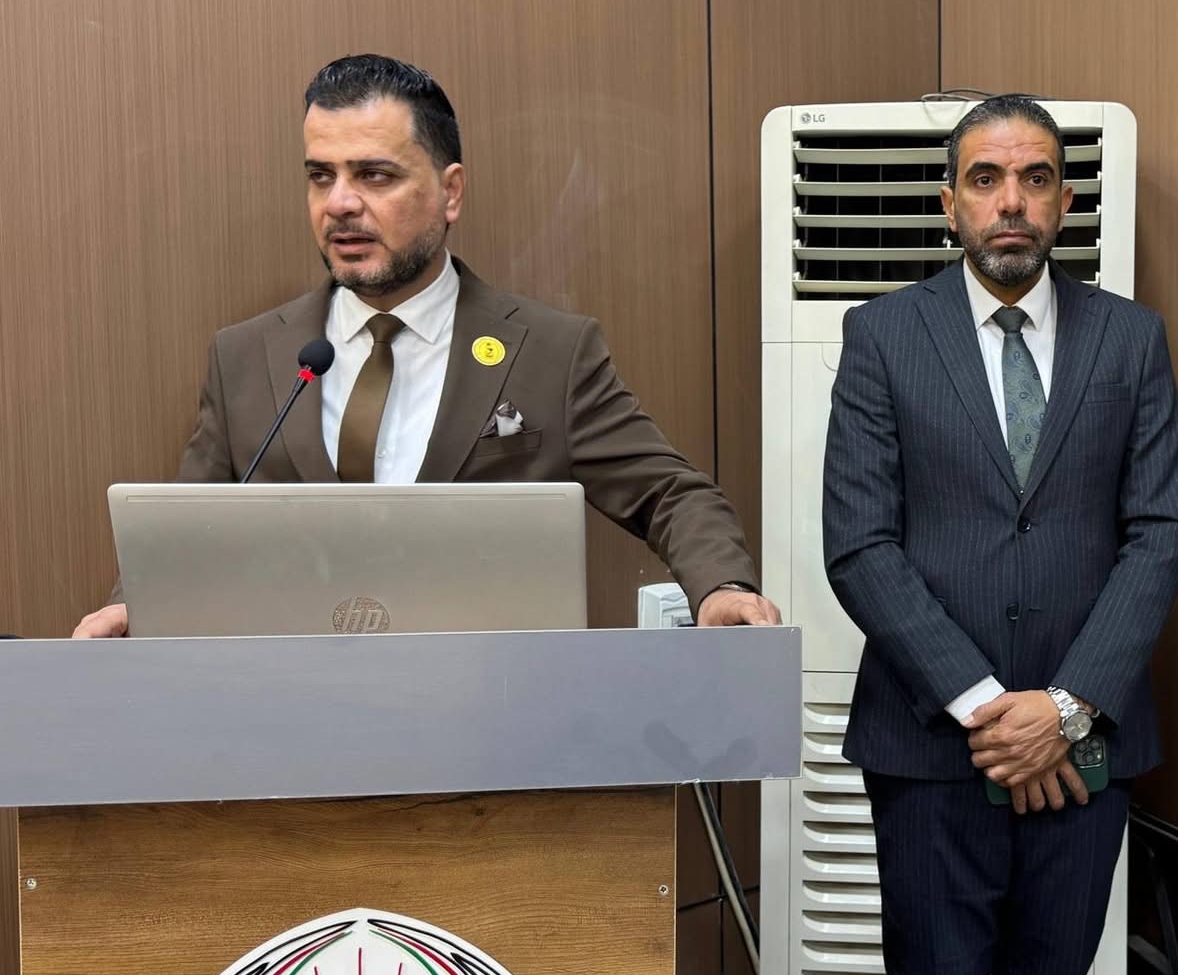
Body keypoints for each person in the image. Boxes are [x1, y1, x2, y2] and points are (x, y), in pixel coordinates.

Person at [73, 54, 777, 636]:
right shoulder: (246, 359)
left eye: (374, 175)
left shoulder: (549, 354)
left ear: (450, 192)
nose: (340, 203)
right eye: (321, 176)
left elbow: (670, 493)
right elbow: (183, 533)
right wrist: (135, 607)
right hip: (292, 716)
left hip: (486, 719)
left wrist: (721, 586)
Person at [822, 94, 1178, 975]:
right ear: (951, 204)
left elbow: (1160, 535)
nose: (1012, 201)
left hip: (1084, 755)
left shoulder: (1131, 340)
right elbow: (860, 544)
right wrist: (993, 710)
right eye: (986, 179)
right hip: (931, 752)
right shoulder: (882, 336)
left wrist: (1064, 711)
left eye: (1035, 178)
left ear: (1065, 202)